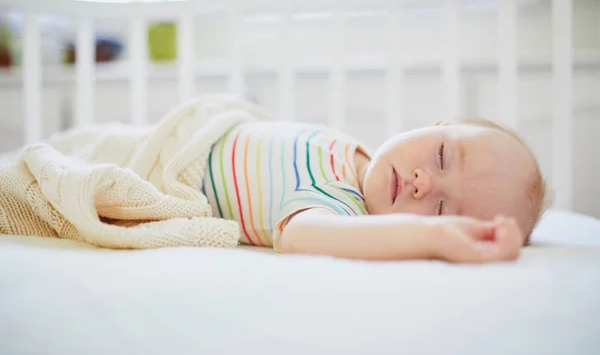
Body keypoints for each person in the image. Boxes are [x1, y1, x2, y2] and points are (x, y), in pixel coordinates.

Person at [203, 116, 549, 263]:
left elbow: (299, 236)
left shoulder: (342, 209)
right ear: (435, 126)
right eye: (442, 156)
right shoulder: (353, 153)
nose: (423, 182)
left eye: (440, 212)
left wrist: (433, 237)